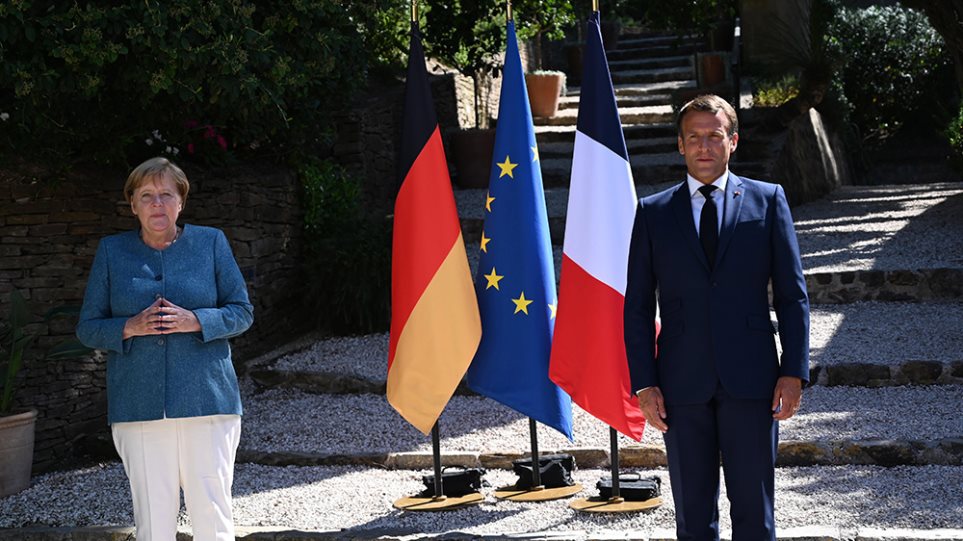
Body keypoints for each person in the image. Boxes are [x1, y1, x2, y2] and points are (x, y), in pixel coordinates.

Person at [624, 95, 809, 541]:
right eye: (694, 137)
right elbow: (637, 305)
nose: (704, 146)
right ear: (680, 145)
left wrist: (793, 372)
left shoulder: (768, 201)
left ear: (733, 141)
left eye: (714, 135)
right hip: (680, 383)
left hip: (753, 379)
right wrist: (644, 384)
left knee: (755, 515)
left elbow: (791, 295)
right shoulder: (653, 212)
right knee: (693, 518)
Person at [77, 157, 253, 541]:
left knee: (213, 516)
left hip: (208, 401)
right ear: (133, 204)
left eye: (166, 195)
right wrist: (129, 326)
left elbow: (242, 312)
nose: (157, 204)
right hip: (138, 404)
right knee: (153, 523)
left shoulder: (211, 243)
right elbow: (87, 328)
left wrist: (196, 320)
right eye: (147, 196)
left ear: (181, 202)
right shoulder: (112, 252)